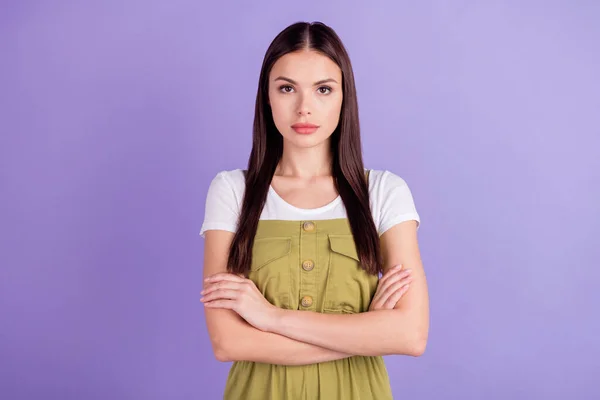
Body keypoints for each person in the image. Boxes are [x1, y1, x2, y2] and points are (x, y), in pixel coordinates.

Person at [199, 21, 429, 400]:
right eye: (287, 88)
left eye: (323, 89)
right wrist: (366, 332)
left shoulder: (385, 192)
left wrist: (271, 319)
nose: (304, 107)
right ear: (267, 97)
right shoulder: (231, 191)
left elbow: (411, 334)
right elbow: (228, 342)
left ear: (344, 97)